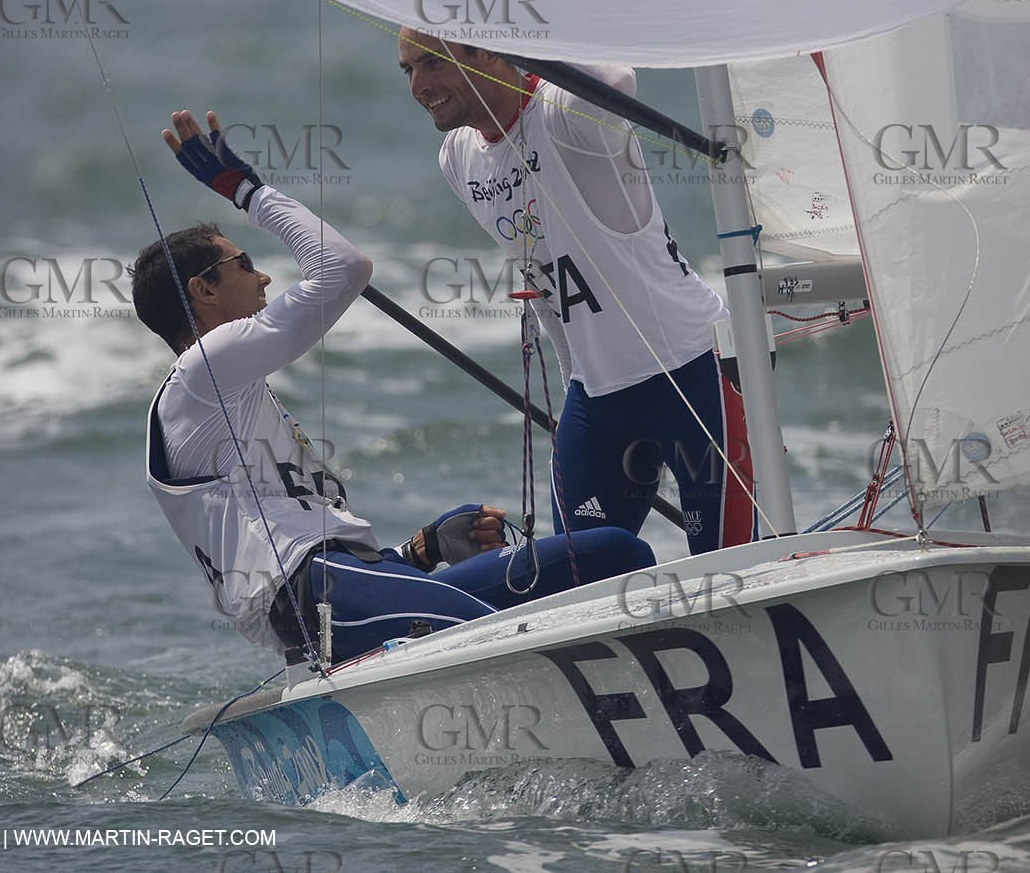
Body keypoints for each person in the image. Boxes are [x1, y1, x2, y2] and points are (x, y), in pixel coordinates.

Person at [134, 109, 653, 662]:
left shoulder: (232, 394)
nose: (262, 276)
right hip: (311, 596)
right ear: (204, 291)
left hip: (346, 580)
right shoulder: (201, 374)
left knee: (615, 554)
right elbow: (344, 267)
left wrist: (422, 549)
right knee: (500, 637)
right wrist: (248, 192)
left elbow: (338, 554)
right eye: (244, 263)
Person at [397, 29, 757, 556]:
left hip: (693, 371)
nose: (417, 86)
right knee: (573, 575)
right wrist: (573, 382)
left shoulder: (564, 113)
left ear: (491, 51)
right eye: (408, 69)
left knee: (731, 568)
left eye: (432, 64)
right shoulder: (458, 157)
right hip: (596, 400)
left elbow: (617, 77)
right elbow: (543, 283)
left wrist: (510, 29)